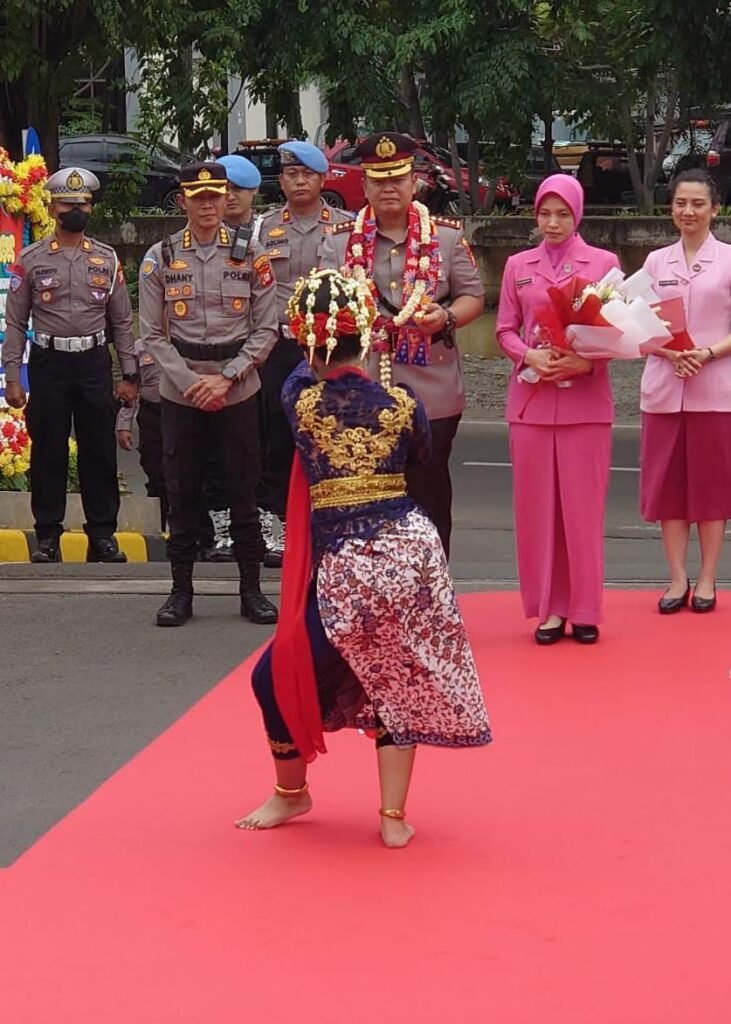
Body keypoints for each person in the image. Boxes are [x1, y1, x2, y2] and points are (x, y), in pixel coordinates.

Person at [235, 268, 491, 847]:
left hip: (348, 564)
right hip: (408, 553)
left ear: (308, 338)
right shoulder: (402, 404)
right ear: (369, 335)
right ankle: (392, 816)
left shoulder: (300, 400)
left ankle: (291, 792)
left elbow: (303, 368)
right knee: (393, 674)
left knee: (274, 674)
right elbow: (422, 456)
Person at [321, 132, 484, 558]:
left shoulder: (445, 238)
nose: (388, 188)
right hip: (362, 388)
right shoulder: (339, 242)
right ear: (366, 186)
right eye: (379, 180)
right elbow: (322, 307)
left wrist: (445, 316)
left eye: (398, 178)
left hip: (433, 388)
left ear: (416, 183)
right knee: (370, 497)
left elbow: (474, 297)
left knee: (429, 497)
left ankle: (433, 590)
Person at [138, 161, 279, 626]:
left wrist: (229, 377)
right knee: (182, 490)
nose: (207, 206)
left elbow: (266, 327)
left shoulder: (251, 253)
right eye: (197, 198)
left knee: (244, 489)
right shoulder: (159, 256)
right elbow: (153, 335)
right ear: (182, 201)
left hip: (236, 388)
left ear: (226, 199)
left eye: (214, 196)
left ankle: (251, 591)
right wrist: (192, 383)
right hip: (183, 391)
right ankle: (180, 591)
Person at [496, 174, 619, 644]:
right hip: (530, 402)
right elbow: (506, 328)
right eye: (545, 213)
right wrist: (528, 355)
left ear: (578, 215)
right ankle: (548, 608)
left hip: (585, 407)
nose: (553, 222)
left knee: (582, 512)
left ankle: (585, 608)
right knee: (536, 512)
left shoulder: (604, 264)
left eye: (562, 214)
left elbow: (621, 332)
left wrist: (584, 361)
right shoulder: (517, 266)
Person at [3, 167, 137, 563]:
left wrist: (129, 374)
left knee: (99, 451)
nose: (74, 210)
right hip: (49, 362)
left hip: (94, 362)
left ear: (90, 208)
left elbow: (122, 321)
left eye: (81, 204)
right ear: (53, 206)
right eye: (66, 204)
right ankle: (47, 537)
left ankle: (102, 536)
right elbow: (15, 322)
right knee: (48, 451)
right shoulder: (30, 260)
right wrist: (13, 376)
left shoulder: (107, 259)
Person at [256, 141, 353, 568]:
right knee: (276, 435)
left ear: (321, 179)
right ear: (281, 181)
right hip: (279, 343)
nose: (299, 181)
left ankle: (327, 521)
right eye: (291, 175)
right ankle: (275, 524)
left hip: (329, 347)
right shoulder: (262, 229)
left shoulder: (346, 227)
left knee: (330, 434)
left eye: (307, 175)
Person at [640, 169, 731, 614]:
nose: (688, 211)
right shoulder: (656, 263)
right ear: (670, 208)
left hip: (716, 390)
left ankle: (710, 577)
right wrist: (669, 352)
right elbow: (634, 323)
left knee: (712, 489)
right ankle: (677, 578)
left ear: (715, 209)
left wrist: (707, 353)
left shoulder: (730, 260)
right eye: (680, 203)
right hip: (665, 388)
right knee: (670, 490)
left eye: (698, 204)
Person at [115, 342, 234, 560]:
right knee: (157, 475)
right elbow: (131, 389)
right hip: (153, 414)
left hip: (186, 412)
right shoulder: (140, 348)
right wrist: (124, 425)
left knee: (193, 476)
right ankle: (161, 535)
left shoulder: (188, 343)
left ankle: (204, 539)